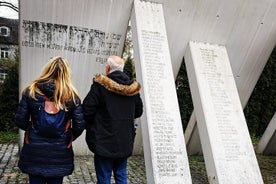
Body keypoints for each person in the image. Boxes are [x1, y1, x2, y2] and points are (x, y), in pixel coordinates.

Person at [15, 56, 85, 184]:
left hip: (35, 149)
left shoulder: (31, 91)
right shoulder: (72, 96)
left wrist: (32, 128)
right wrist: (68, 136)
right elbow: (80, 125)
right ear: (66, 73)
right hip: (60, 150)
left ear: (47, 70)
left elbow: (20, 120)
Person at [83, 55, 143, 184]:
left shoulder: (100, 86)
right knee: (121, 175)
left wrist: (94, 126)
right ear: (121, 69)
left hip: (103, 141)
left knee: (104, 177)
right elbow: (139, 111)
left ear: (108, 68)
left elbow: (87, 110)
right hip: (125, 140)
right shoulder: (133, 89)